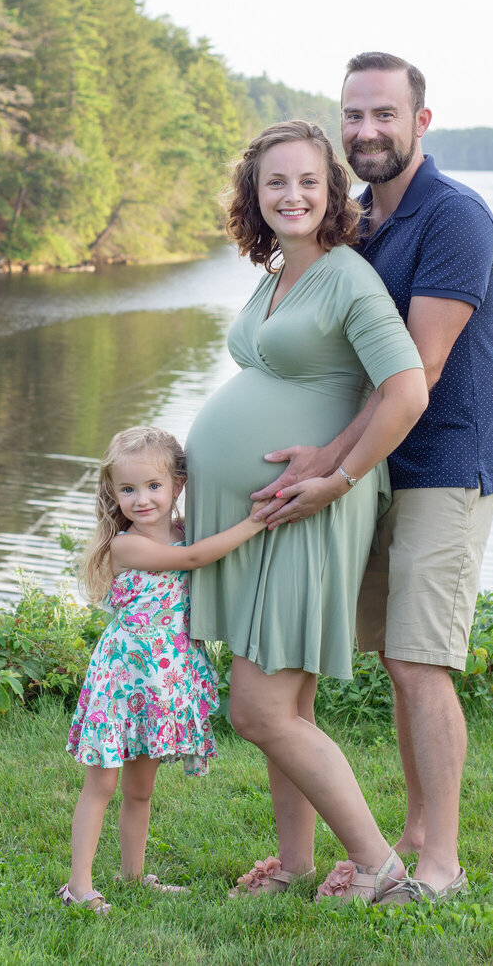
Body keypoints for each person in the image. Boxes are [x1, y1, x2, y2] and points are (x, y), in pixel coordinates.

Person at [253, 53, 493, 903]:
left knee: (420, 660)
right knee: (391, 658)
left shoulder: (455, 220)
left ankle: (439, 867)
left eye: (384, 116)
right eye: (353, 116)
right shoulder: (359, 221)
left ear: (420, 123)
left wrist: (332, 465)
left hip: (442, 465)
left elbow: (420, 371)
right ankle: (409, 836)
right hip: (374, 472)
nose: (366, 132)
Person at [186, 120, 429, 904]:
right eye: (274, 183)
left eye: (307, 182)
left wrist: (338, 476)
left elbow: (406, 389)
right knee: (286, 704)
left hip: (310, 514)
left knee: (258, 708)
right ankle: (292, 863)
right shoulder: (278, 276)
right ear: (254, 198)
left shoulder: (348, 277)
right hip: (266, 519)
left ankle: (378, 867)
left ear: (331, 193)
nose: (291, 195)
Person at [60, 426, 266, 914]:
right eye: (127, 489)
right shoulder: (127, 546)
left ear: (177, 483)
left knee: (140, 789)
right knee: (103, 784)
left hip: (160, 681)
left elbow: (198, 545)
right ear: (112, 493)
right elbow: (194, 559)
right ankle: (78, 886)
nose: (141, 499)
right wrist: (256, 522)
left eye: (153, 486)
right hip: (123, 678)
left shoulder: (183, 529)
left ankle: (132, 877)